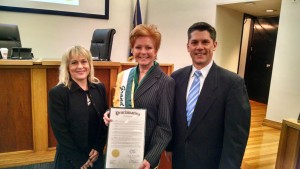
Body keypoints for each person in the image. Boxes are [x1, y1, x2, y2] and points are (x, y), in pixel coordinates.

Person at [166, 22, 251, 169]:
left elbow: (236, 137)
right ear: (188, 47)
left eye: (205, 42)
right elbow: (173, 118)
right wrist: (169, 147)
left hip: (211, 163)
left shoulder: (233, 83)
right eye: (194, 42)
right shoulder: (176, 77)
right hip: (179, 159)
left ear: (214, 45)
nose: (199, 47)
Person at [104, 24, 175, 169]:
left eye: (148, 47)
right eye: (138, 47)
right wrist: (109, 114)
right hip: (120, 151)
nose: (143, 52)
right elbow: (119, 108)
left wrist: (151, 158)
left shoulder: (165, 82)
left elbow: (164, 127)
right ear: (132, 49)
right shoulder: (123, 76)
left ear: (156, 51)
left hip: (145, 157)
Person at [48, 45, 108, 169]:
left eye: (84, 61)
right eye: (74, 63)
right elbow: (60, 132)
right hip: (70, 159)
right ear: (68, 67)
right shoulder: (58, 93)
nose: (80, 66)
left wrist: (98, 147)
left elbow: (104, 122)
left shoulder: (99, 88)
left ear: (90, 65)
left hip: (95, 157)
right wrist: (79, 160)